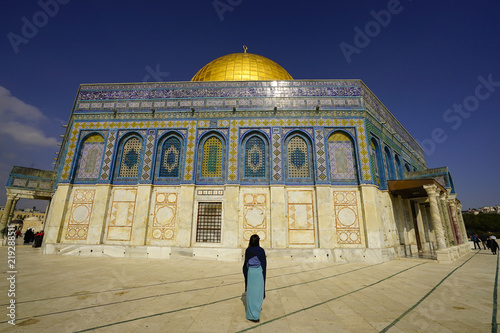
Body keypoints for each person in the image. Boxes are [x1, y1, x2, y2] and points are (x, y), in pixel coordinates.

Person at [243, 234, 267, 323]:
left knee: (251, 294)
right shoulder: (261, 251)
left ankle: (251, 315)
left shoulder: (248, 250)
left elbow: (246, 264)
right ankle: (256, 314)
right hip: (258, 272)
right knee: (258, 293)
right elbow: (264, 264)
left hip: (251, 272)